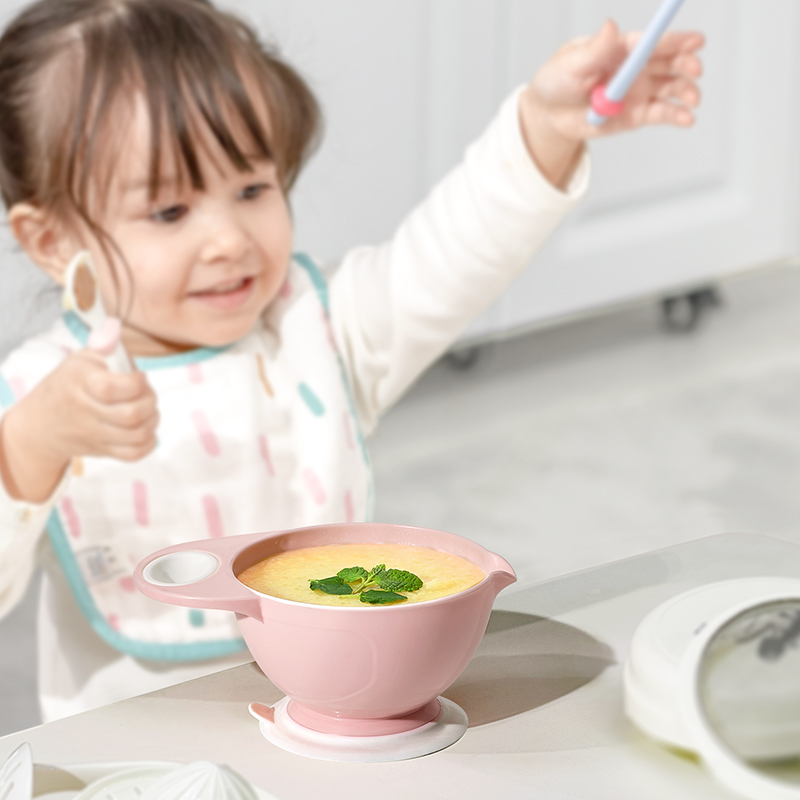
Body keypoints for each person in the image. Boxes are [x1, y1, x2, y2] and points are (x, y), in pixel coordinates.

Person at [0, 0, 703, 722]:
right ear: (51, 241)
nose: (229, 240)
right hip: (137, 758)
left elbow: (451, 256)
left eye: (252, 189)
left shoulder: (320, 331)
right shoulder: (39, 398)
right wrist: (32, 444)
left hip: (334, 736)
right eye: (171, 212)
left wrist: (546, 130)